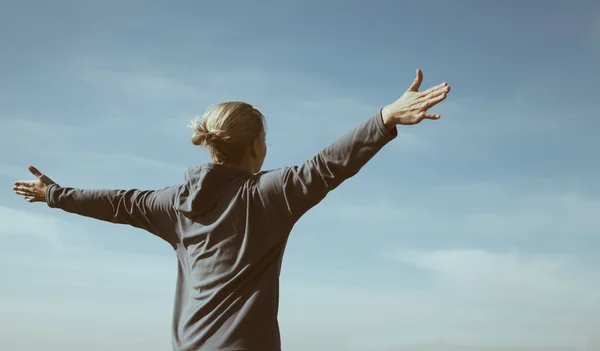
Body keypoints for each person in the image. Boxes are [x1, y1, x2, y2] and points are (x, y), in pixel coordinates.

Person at [12, 69, 450, 351]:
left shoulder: (173, 204)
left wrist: (53, 194)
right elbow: (326, 167)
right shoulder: (267, 196)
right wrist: (385, 118)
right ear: (257, 146)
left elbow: (117, 203)